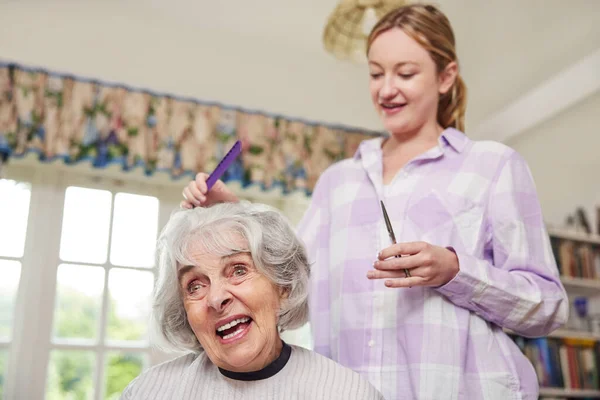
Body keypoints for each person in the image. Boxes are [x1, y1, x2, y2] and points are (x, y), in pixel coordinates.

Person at [180, 4, 568, 399]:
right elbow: (288, 277)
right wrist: (230, 209)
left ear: (446, 76)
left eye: (406, 73)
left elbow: (549, 308)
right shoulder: (338, 182)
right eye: (376, 73)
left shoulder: (493, 166)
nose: (386, 89)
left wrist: (455, 270)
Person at [120, 201, 384, 400]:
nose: (216, 298)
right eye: (195, 286)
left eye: (238, 270)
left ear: (283, 286)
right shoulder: (148, 392)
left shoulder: (347, 393)